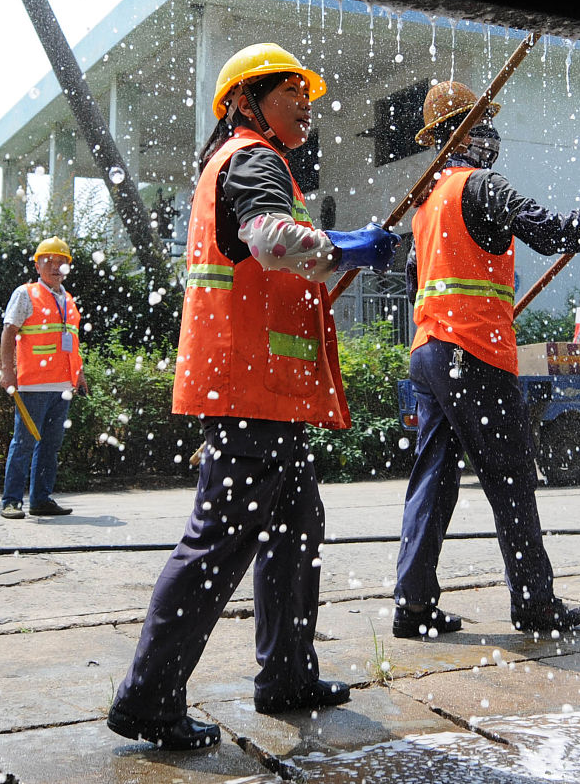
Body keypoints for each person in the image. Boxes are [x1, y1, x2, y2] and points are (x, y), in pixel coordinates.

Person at [108, 42, 400, 750]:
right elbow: (270, 239)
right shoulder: (252, 158)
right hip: (248, 388)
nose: (306, 103)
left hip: (265, 391)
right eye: (289, 90)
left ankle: (288, 675)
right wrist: (346, 245)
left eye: (308, 92)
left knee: (297, 530)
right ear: (245, 101)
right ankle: (148, 697)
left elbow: (271, 252)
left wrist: (332, 245)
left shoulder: (255, 164)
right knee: (218, 541)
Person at [393, 80, 580, 639]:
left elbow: (414, 284)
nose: (491, 135)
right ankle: (534, 603)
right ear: (462, 135)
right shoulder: (482, 186)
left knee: (433, 477)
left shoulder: (426, 204)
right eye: (482, 124)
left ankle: (413, 604)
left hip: (429, 353)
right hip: (475, 355)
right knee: (510, 477)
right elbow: (552, 233)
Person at [0, 236, 89, 519]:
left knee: (50, 446)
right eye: (48, 261)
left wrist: (79, 374)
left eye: (61, 261)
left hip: (63, 386)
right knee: (23, 444)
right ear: (37, 266)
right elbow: (9, 332)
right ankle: (11, 501)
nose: (55, 266)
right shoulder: (26, 294)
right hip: (33, 384)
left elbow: (71, 341)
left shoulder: (68, 300)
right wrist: (8, 370)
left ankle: (40, 500)